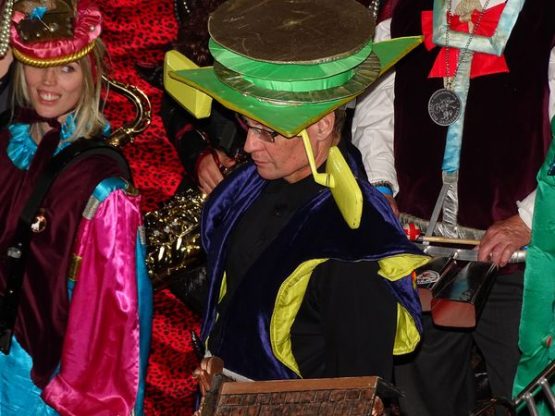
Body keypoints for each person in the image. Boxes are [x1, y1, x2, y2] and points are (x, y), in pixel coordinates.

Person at [167, 0, 429, 383]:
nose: (250, 146)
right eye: (247, 126)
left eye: (266, 132)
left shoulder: (353, 242)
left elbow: (355, 388)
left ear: (321, 125)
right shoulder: (248, 189)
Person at [352, 0, 555, 414]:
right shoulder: (403, 11)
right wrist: (380, 186)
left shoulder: (546, 16)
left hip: (516, 261)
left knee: (529, 395)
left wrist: (528, 218)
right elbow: (377, 108)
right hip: (420, 251)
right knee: (423, 395)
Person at [0, 0, 152, 414]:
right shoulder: (8, 143)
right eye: (39, 64)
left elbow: (111, 332)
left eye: (67, 68)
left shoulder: (101, 189)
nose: (48, 82)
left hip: (34, 385)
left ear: (90, 76)